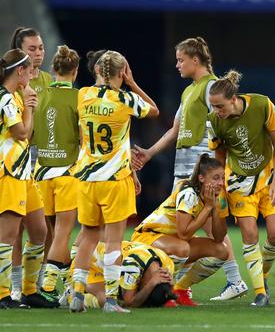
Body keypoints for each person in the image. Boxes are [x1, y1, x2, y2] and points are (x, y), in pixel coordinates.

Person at [131, 37, 246, 301]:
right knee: (188, 230)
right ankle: (182, 286)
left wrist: (217, 169)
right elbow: (175, 129)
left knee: (202, 229)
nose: (177, 65)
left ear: (196, 60)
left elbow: (225, 124)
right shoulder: (190, 90)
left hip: (199, 168)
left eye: (181, 59)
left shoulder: (211, 89)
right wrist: (149, 153)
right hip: (183, 170)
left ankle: (233, 280)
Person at [70, 50, 159, 313]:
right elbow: (154, 110)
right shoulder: (126, 99)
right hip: (115, 180)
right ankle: (109, 299)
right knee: (113, 241)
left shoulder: (83, 95)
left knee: (86, 236)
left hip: (86, 178)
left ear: (97, 71)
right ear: (122, 73)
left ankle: (77, 294)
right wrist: (132, 83)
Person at [206, 70, 275, 307]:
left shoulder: (262, 104)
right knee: (250, 234)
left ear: (233, 99)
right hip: (238, 183)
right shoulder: (214, 121)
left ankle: (262, 275)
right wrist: (219, 183)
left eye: (219, 106)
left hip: (269, 177)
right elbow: (219, 154)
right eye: (212, 106)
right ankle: (261, 292)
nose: (216, 111)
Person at [131, 154, 236, 306]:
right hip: (147, 238)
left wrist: (214, 209)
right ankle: (164, 292)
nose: (220, 183)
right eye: (216, 178)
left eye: (222, 178)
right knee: (183, 248)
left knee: (221, 250)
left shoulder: (214, 197)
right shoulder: (188, 194)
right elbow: (184, 233)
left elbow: (219, 237)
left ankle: (180, 289)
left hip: (172, 243)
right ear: (201, 178)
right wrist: (207, 207)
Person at [0, 49, 55, 309]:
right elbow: (22, 132)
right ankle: (2, 293)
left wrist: (28, 106)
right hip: (9, 172)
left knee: (39, 231)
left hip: (25, 173)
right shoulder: (6, 99)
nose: (33, 75)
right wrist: (30, 108)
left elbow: (26, 134)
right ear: (20, 71)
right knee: (8, 236)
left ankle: (30, 291)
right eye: (29, 70)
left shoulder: (16, 98)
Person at [33, 46, 82, 303]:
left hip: (41, 172)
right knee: (64, 231)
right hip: (67, 172)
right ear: (75, 71)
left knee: (49, 233)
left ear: (53, 69)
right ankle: (49, 285)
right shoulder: (79, 98)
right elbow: (84, 139)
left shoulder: (39, 96)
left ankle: (59, 282)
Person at [66, 241, 176, 310]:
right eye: (144, 287)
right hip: (87, 263)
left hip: (109, 263)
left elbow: (164, 287)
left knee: (119, 292)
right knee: (108, 299)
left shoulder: (168, 265)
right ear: (147, 282)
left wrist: (171, 287)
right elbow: (129, 302)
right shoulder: (132, 265)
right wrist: (150, 285)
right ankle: (72, 293)